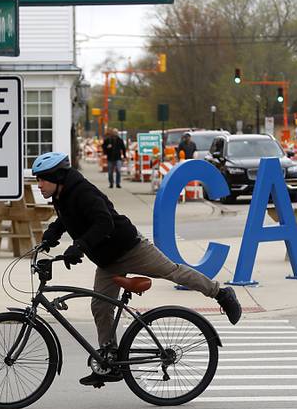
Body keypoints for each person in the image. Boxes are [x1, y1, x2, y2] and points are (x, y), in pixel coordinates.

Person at [32, 151, 242, 387]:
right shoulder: (62, 196)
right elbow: (67, 218)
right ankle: (108, 359)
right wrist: (51, 236)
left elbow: (104, 222)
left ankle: (220, 293)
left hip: (131, 248)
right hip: (107, 260)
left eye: (42, 179)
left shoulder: (83, 192)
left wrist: (80, 245)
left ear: (57, 177)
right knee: (100, 306)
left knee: (172, 271)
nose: (39, 184)